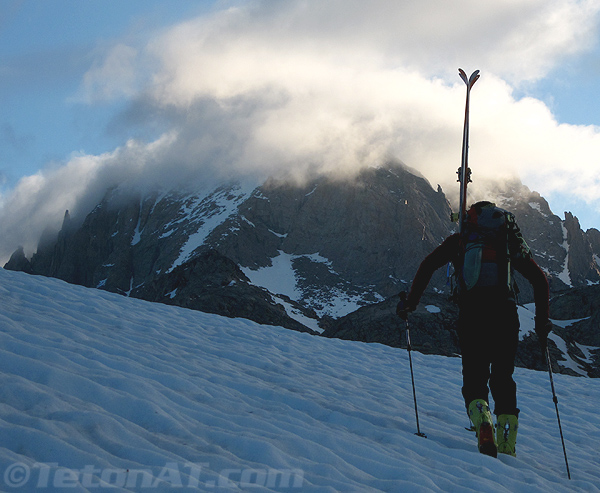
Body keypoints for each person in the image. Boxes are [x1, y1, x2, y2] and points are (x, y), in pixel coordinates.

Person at [397, 201, 552, 458]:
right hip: (506, 314)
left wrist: (411, 303)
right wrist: (541, 321)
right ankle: (507, 443)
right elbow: (539, 280)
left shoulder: (461, 240)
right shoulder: (507, 241)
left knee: (474, 376)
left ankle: (483, 423)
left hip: (472, 314)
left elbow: (428, 265)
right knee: (503, 377)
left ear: (470, 219)